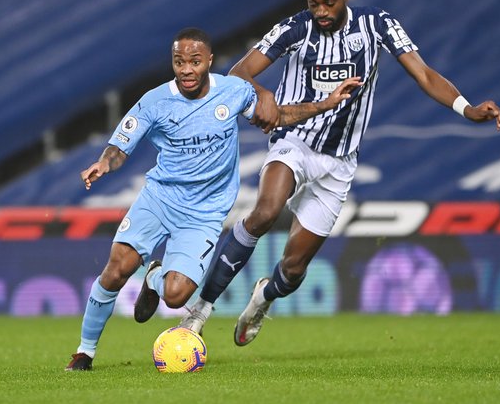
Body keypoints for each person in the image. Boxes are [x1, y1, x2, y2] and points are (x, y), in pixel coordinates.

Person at [179, 0, 500, 345]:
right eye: (313, 3)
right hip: (294, 141)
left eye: (329, 3)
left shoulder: (377, 24)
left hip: (339, 162)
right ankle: (199, 311)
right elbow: (238, 72)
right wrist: (264, 94)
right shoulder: (295, 28)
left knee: (294, 267)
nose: (320, 11)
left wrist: (467, 109)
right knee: (266, 211)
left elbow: (425, 74)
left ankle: (265, 297)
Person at [65, 27, 362, 370]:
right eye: (179, 62)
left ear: (208, 60)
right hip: (160, 199)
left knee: (176, 297)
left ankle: (154, 278)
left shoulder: (233, 91)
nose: (186, 70)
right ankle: (85, 352)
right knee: (117, 270)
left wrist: (326, 104)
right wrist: (104, 163)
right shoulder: (155, 101)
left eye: (194, 61)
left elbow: (276, 116)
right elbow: (120, 146)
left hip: (204, 213)